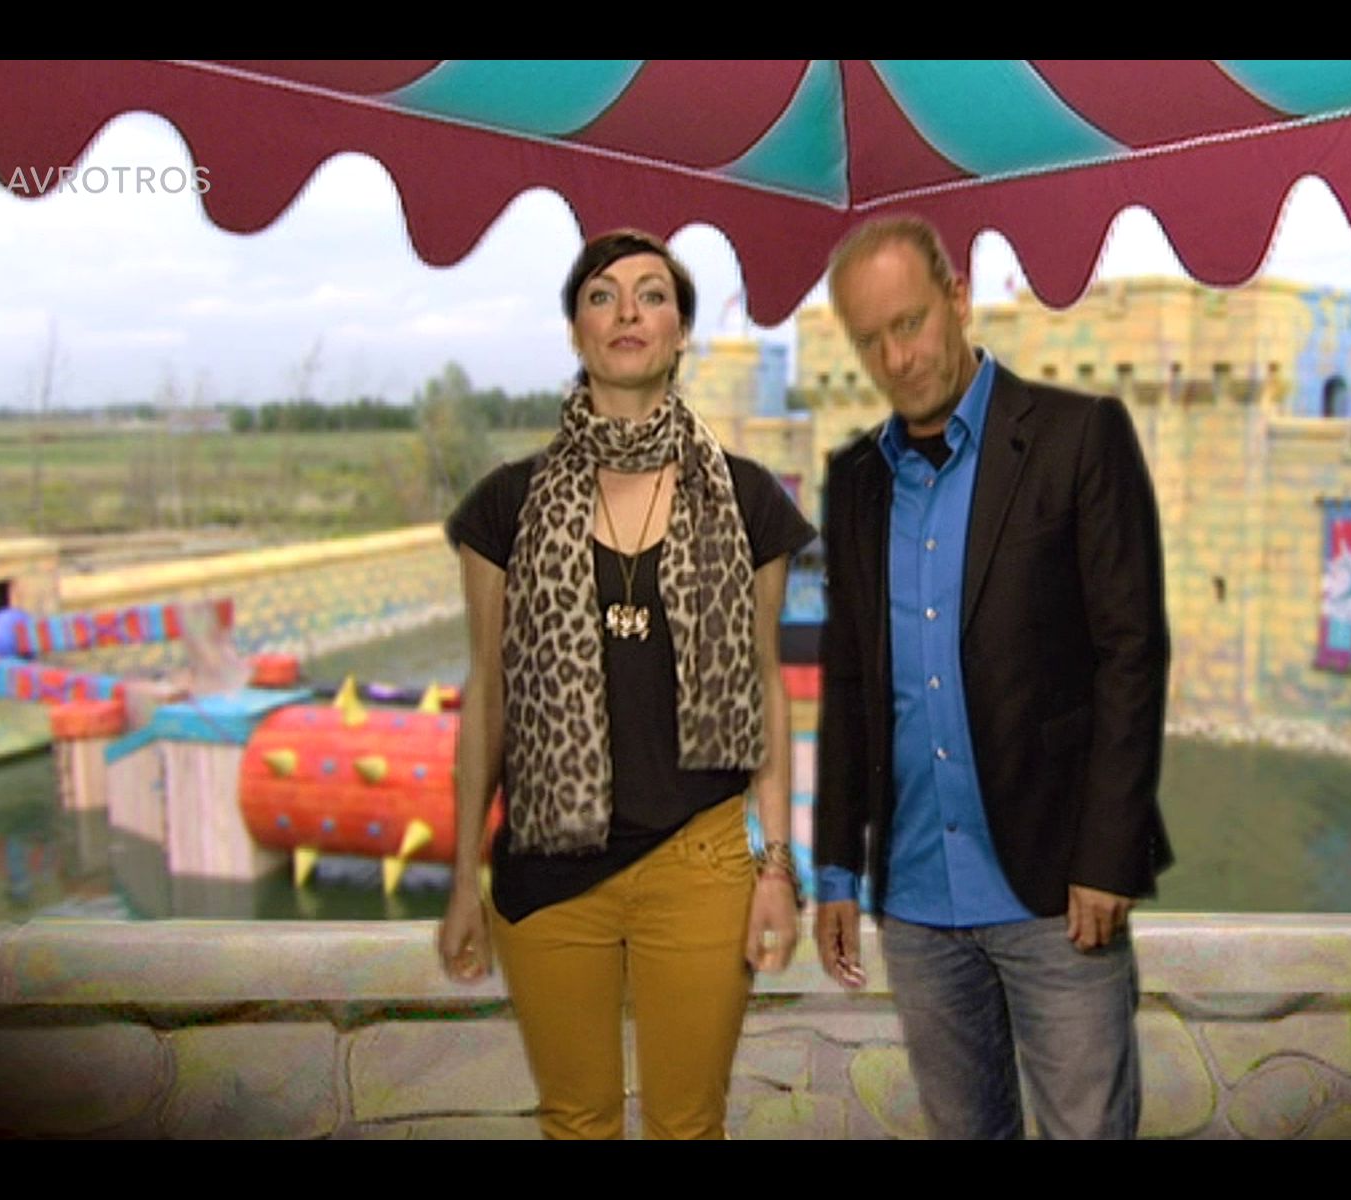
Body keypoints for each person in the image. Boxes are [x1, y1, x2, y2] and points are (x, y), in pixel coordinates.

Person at [437, 229, 815, 1140]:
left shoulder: (748, 500)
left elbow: (765, 689)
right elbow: (487, 698)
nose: (627, 313)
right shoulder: (506, 505)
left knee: (689, 1124)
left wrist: (776, 868)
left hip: (701, 863)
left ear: (681, 331)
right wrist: (461, 881)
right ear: (577, 332)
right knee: (576, 1122)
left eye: (652, 295)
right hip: (547, 868)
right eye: (601, 296)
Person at [812, 216, 1173, 1140]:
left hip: (1057, 894)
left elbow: (1131, 655)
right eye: (871, 339)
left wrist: (1108, 856)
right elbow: (848, 684)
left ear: (959, 299)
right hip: (915, 903)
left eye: (910, 323)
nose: (896, 358)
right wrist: (837, 868)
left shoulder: (1078, 437)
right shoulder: (853, 481)